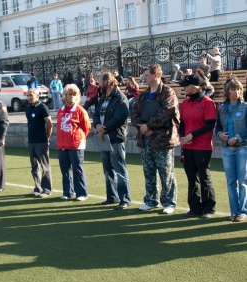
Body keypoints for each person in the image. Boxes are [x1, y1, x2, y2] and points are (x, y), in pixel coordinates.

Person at [131, 64, 179, 214]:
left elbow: (166, 112)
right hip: (145, 139)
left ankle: (169, 202)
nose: (144, 77)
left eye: (147, 75)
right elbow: (134, 113)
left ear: (156, 75)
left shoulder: (167, 92)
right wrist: (142, 127)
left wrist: (149, 125)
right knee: (149, 171)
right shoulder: (143, 95)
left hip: (162, 139)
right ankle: (151, 200)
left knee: (166, 172)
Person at [178, 74, 217, 218]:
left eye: (186, 86)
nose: (184, 88)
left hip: (202, 146)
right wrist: (182, 136)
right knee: (191, 177)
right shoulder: (186, 102)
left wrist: (192, 135)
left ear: (195, 87)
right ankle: (194, 207)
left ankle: (208, 208)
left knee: (204, 176)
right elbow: (182, 123)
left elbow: (210, 124)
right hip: (188, 146)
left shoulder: (208, 102)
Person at [93, 71, 131, 210]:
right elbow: (96, 114)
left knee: (119, 168)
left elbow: (119, 118)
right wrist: (97, 125)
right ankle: (112, 196)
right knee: (107, 169)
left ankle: (124, 199)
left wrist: (104, 129)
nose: (99, 83)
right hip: (104, 138)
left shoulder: (121, 98)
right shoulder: (103, 98)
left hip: (116, 138)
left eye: (100, 81)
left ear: (107, 82)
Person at [216, 78, 247, 222]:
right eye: (233, 89)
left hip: (242, 148)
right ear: (228, 91)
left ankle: (243, 212)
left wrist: (238, 137)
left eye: (238, 89)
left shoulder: (245, 107)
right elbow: (218, 128)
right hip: (226, 149)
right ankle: (233, 211)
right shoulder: (221, 108)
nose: (236, 92)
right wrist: (220, 135)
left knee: (242, 181)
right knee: (230, 181)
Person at [57, 84, 91, 201]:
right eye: (69, 94)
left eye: (74, 94)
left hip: (76, 145)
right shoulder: (60, 110)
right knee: (65, 169)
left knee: (77, 169)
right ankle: (67, 192)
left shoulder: (80, 110)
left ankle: (82, 193)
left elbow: (87, 127)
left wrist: (78, 138)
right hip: (62, 145)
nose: (71, 96)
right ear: (64, 96)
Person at [25, 88, 53, 198]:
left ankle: (46, 189)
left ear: (37, 95)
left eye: (31, 95)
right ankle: (37, 187)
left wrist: (47, 137)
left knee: (45, 167)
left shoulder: (42, 107)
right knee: (34, 166)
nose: (28, 97)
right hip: (31, 141)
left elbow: (49, 124)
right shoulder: (27, 108)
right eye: (27, 95)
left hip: (41, 141)